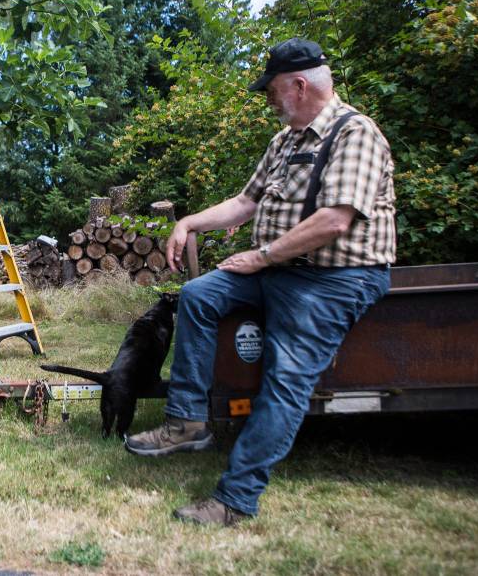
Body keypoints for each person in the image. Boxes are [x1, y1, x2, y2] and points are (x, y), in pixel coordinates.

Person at [124, 37, 396, 526]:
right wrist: (188, 222)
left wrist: (262, 255)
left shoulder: (356, 135)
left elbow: (335, 220)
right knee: (199, 294)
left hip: (334, 279)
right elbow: (246, 202)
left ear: (297, 85)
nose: (267, 99)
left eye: (270, 90)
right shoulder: (285, 141)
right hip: (280, 268)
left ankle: (235, 500)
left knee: (285, 380)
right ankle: (187, 420)